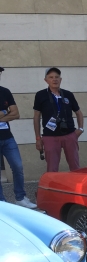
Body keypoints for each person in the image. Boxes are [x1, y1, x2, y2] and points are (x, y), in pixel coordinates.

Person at [33, 67, 84, 172]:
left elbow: (78, 112)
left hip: (69, 135)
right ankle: (52, 188)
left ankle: (76, 187)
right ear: (46, 80)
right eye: (51, 77)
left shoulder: (68, 94)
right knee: (52, 167)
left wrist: (81, 129)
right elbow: (36, 117)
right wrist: (38, 138)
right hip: (50, 136)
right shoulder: (40, 95)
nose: (54, 79)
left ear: (60, 80)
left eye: (57, 77)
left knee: (75, 166)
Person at [0, 66, 38, 209]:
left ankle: (20, 198)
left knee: (18, 166)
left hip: (8, 138)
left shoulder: (5, 92)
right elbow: (11, 113)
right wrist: (6, 112)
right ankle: (1, 202)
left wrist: (2, 115)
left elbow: (16, 114)